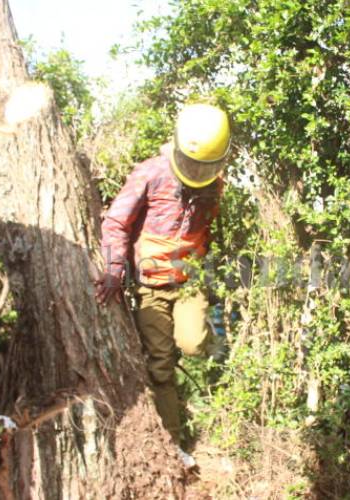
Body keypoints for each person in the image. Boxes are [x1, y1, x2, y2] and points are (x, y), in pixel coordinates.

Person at [94, 103, 230, 466]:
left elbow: (206, 231)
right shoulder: (150, 173)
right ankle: (173, 442)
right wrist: (114, 270)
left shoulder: (215, 184)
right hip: (150, 286)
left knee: (194, 343)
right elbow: (116, 223)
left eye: (205, 167)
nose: (198, 172)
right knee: (160, 364)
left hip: (188, 281)